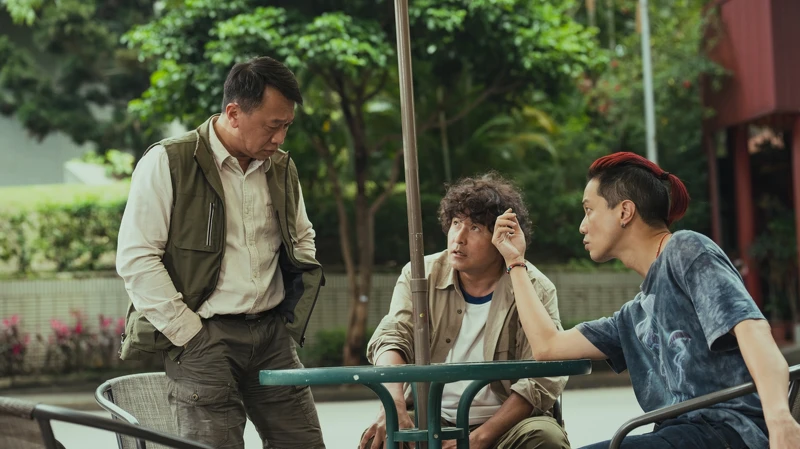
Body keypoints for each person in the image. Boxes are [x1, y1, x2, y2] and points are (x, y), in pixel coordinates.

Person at [495, 151, 800, 449]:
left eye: (589, 210)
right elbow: (548, 346)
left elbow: (753, 331)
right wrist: (515, 261)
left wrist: (781, 423)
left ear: (624, 212)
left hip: (729, 431)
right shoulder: (633, 316)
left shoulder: (686, 250)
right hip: (679, 434)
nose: (582, 226)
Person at [116, 56, 326, 449]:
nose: (280, 138)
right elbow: (137, 258)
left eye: (287, 126)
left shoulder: (281, 167)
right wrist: (189, 334)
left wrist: (285, 319)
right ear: (233, 113)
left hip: (272, 337)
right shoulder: (168, 161)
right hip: (203, 337)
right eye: (272, 126)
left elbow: (302, 236)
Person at [360, 172, 570, 449]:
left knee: (545, 438)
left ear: (501, 237)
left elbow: (544, 376)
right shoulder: (421, 275)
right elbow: (392, 337)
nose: (458, 238)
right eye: (456, 223)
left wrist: (477, 439)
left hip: (507, 425)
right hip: (430, 418)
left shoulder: (533, 286)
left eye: (475, 228)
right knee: (379, 438)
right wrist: (394, 406)